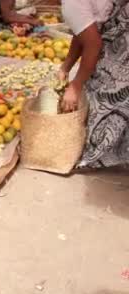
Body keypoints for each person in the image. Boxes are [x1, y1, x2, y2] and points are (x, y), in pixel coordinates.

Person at [58, 0, 126, 168]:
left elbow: (93, 44)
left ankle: (98, 153)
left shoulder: (71, 4)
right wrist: (66, 66)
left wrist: (75, 86)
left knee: (104, 91)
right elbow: (82, 30)